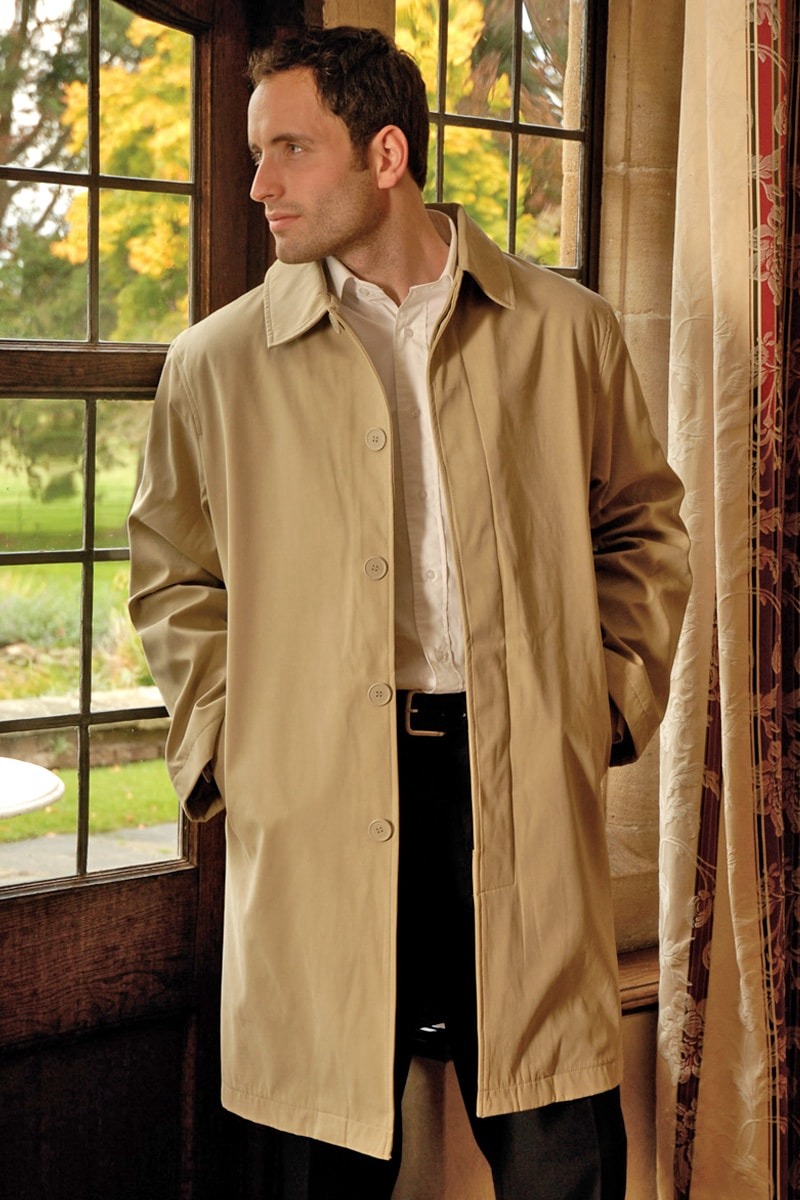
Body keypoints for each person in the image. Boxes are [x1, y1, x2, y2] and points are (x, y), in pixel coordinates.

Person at [128, 25, 691, 1200]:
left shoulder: (564, 331)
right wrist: (233, 746)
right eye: (255, 152)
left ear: (384, 155)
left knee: (561, 1152)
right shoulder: (216, 363)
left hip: (515, 780)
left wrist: (594, 707)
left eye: (289, 149)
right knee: (316, 1148)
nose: (258, 183)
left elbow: (642, 528)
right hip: (316, 794)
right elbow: (173, 575)